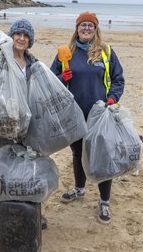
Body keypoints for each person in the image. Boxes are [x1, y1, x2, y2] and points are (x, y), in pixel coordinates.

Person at [50, 12, 124, 225]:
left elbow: (118, 79)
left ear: (96, 29)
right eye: (82, 25)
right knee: (77, 153)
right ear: (77, 28)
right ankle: (79, 189)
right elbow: (48, 80)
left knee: (102, 157)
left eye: (90, 26)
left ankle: (105, 202)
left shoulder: (106, 52)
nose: (86, 29)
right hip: (73, 114)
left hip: (100, 114)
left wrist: (112, 98)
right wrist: (60, 78)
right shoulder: (65, 52)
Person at [0, 18, 48, 230]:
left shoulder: (34, 63)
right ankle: (10, 214)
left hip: (28, 129)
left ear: (30, 41)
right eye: (18, 34)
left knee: (30, 171)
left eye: (26, 36)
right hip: (2, 128)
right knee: (6, 171)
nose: (21, 38)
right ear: (11, 36)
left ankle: (32, 214)